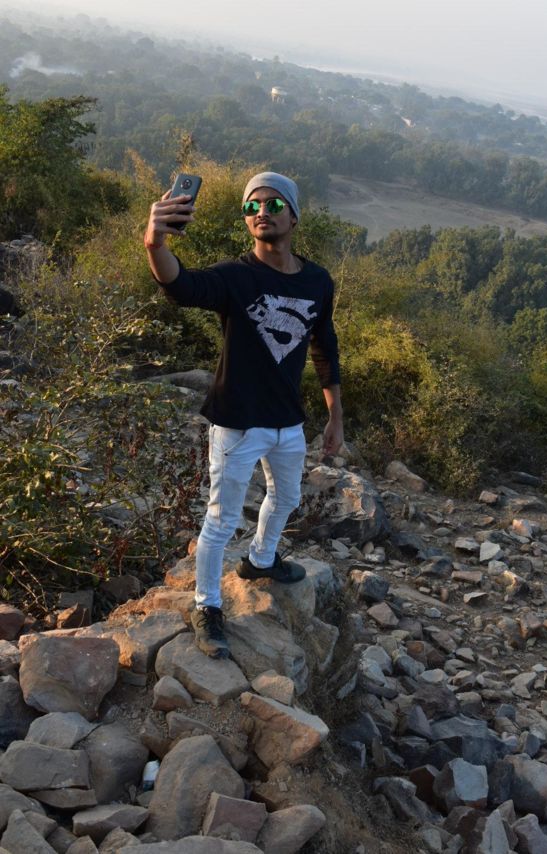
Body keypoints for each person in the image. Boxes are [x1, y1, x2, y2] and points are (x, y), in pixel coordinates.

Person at [144, 171, 343, 659]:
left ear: (294, 216)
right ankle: (207, 606)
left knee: (287, 496)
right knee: (221, 519)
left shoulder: (317, 281)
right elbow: (182, 285)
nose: (261, 213)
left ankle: (261, 559)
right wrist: (155, 243)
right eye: (252, 206)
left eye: (273, 205)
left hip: (287, 421)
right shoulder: (236, 277)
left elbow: (324, 347)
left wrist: (335, 416)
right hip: (237, 421)